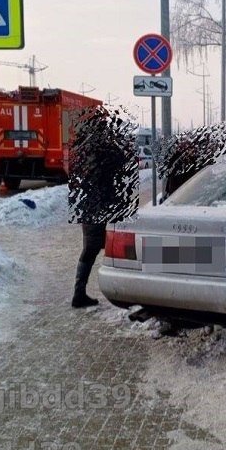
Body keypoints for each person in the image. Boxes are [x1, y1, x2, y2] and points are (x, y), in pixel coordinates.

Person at [69, 107, 136, 308]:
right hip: (102, 207)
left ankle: (80, 293)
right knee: (120, 248)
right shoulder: (104, 150)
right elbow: (122, 163)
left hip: (88, 206)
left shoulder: (83, 149)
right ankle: (126, 293)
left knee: (92, 249)